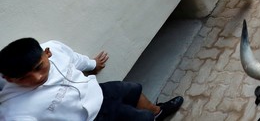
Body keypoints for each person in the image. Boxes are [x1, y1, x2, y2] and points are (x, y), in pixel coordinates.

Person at [0, 38, 184, 120]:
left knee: (133, 89)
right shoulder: (15, 112)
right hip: (91, 118)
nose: (38, 77)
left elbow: (75, 59)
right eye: (24, 77)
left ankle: (158, 112)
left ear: (48, 53)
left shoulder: (54, 47)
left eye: (39, 67)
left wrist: (92, 64)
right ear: (9, 79)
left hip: (97, 91)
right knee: (141, 118)